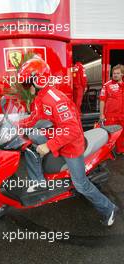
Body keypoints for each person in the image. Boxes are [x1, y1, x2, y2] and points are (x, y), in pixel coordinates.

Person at [18, 55, 118, 226]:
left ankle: (109, 208)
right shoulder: (42, 97)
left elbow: (72, 129)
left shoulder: (55, 100)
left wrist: (49, 146)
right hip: (57, 137)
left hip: (71, 146)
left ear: (39, 79)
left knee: (80, 184)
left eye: (27, 83)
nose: (26, 88)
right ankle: (38, 181)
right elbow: (35, 118)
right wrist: (17, 125)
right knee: (29, 140)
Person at [100, 64, 124, 154]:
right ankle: (107, 153)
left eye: (118, 73)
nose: (115, 75)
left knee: (121, 134)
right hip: (110, 115)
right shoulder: (107, 85)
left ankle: (120, 150)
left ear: (122, 74)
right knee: (110, 135)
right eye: (114, 73)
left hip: (122, 115)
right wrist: (101, 114)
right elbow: (102, 100)